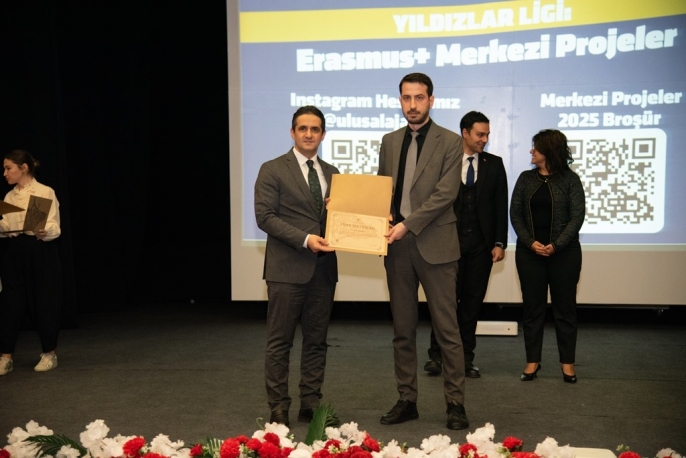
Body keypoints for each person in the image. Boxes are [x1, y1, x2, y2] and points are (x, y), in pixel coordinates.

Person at [377, 72, 468, 430]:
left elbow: (446, 194)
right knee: (403, 330)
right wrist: (378, 212)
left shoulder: (450, 141)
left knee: (447, 331)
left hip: (436, 245)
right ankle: (407, 400)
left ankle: (455, 404)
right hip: (397, 247)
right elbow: (383, 188)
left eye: (419, 98)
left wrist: (407, 224)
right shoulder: (389, 141)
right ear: (400, 100)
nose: (412, 105)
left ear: (431, 100)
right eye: (406, 98)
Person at [254, 106, 339, 426]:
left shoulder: (333, 173)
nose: (308, 134)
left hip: (324, 270)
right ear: (292, 132)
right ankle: (278, 406)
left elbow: (342, 221)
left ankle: (310, 404)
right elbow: (265, 217)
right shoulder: (272, 169)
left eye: (315, 129)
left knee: (317, 341)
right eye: (302, 128)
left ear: (323, 134)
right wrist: (305, 239)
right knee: (280, 341)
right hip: (286, 269)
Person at [424, 111, 508, 379]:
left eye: (487, 135)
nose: (484, 139)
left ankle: (466, 359)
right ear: (465, 133)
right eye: (480, 134)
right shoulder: (445, 160)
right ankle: (436, 356)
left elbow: (500, 206)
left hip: (481, 248)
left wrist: (499, 243)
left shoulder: (494, 165)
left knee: (472, 305)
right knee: (444, 303)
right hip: (447, 244)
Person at [510, 129, 585, 384]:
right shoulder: (525, 178)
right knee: (533, 309)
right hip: (529, 254)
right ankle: (532, 361)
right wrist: (531, 243)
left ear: (549, 151)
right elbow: (515, 214)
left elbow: (577, 217)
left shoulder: (570, 180)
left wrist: (556, 245)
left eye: (536, 148)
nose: (531, 151)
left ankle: (568, 364)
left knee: (565, 310)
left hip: (565, 254)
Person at [0, 149, 62, 376]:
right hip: (15, 252)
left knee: (43, 300)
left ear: (23, 168)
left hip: (40, 251)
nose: (5, 173)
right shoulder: (9, 197)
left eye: (8, 168)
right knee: (10, 303)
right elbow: (7, 229)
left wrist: (44, 230)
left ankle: (49, 353)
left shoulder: (44, 191)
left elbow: (54, 227)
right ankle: (5, 356)